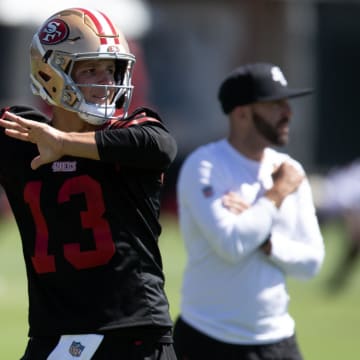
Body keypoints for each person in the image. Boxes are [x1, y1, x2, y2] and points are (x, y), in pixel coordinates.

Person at [0, 7, 177, 360]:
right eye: (90, 69)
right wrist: (52, 139)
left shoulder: (133, 134)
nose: (106, 82)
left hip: (131, 334)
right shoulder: (22, 136)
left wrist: (63, 144)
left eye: (111, 70)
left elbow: (160, 146)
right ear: (51, 72)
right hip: (53, 335)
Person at [173, 62, 325, 360]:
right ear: (241, 112)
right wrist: (275, 195)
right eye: (275, 104)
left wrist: (267, 241)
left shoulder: (290, 170)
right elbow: (231, 244)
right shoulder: (204, 165)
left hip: (277, 341)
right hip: (205, 339)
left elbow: (312, 262)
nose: (288, 113)